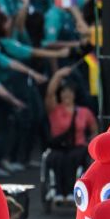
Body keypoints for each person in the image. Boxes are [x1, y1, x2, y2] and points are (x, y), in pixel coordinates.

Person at [43, 66, 97, 204]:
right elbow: (50, 93)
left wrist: (91, 143)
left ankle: (72, 191)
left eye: (70, 92)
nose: (66, 95)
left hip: (78, 146)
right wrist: (59, 75)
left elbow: (94, 130)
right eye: (64, 92)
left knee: (75, 157)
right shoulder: (55, 109)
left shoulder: (84, 112)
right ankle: (59, 192)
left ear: (74, 94)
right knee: (57, 159)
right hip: (59, 147)